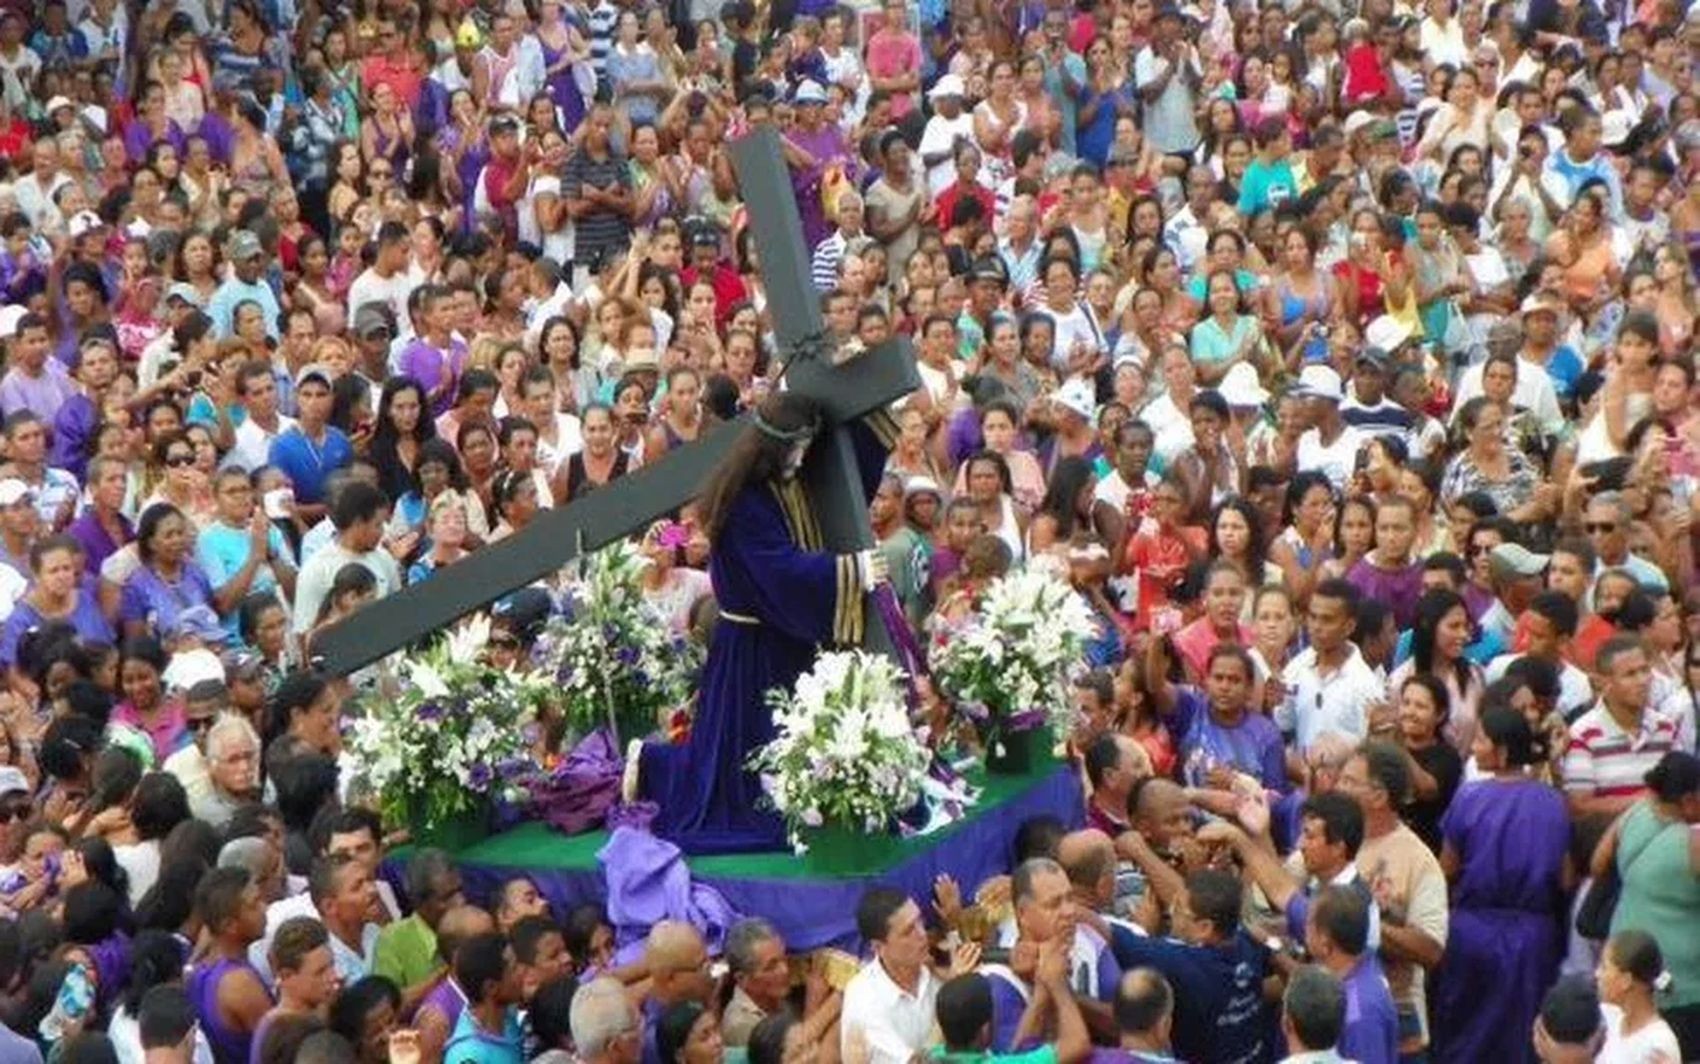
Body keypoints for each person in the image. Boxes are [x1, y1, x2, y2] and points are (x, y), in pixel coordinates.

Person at [634, 392, 897, 853]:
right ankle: (653, 766)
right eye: (796, 446)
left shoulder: (791, 480)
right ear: (773, 447)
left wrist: (865, 404)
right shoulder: (743, 500)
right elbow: (776, 567)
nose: (802, 456)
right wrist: (851, 571)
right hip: (751, 648)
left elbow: (850, 483)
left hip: (788, 637)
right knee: (744, 766)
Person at [1431, 707, 1571, 1061]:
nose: (1474, 747)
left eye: (1480, 740)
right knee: (1522, 1041)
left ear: (1502, 751)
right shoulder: (1554, 803)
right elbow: (1566, 876)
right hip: (1533, 938)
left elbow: (1446, 868)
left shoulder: (1469, 797)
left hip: (1473, 932)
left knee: (1464, 1034)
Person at [1605, 752, 1700, 1058]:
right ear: (1688, 799)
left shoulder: (1634, 814)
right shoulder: (1694, 843)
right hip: (1682, 982)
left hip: (1625, 966)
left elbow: (1596, 863)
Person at [841, 888, 940, 1064]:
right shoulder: (863, 998)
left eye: (920, 921)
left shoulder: (937, 970)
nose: (923, 934)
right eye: (908, 931)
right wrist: (951, 999)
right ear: (879, 947)